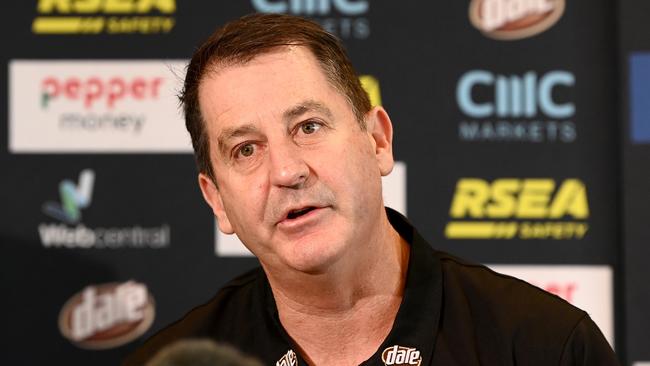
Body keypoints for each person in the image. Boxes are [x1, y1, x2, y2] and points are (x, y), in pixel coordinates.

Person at [124, 13, 619, 366]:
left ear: (377, 140)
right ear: (216, 200)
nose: (287, 171)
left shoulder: (543, 347)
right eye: (246, 150)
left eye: (309, 126)